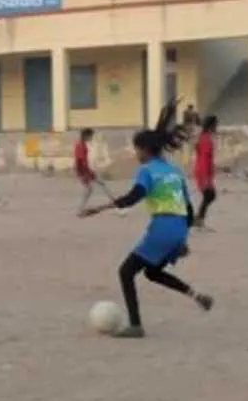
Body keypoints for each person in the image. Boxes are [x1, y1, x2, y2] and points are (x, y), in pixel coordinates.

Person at [78, 99, 214, 338]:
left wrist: (97, 209)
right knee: (151, 272)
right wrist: (182, 238)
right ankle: (195, 295)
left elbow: (133, 197)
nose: (135, 153)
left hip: (162, 227)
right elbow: (189, 207)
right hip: (178, 227)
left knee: (126, 272)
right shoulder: (173, 171)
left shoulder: (147, 170)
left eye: (137, 149)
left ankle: (136, 325)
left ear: (146, 150)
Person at [74, 128, 118, 214]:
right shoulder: (81, 146)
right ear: (86, 136)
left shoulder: (80, 144)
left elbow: (81, 160)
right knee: (92, 188)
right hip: (84, 171)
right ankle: (79, 209)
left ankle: (116, 203)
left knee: (98, 186)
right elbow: (81, 160)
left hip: (85, 170)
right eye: (90, 136)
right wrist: (86, 172)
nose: (91, 138)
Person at [194, 115, 218, 230]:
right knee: (209, 195)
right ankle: (198, 220)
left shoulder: (204, 137)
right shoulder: (206, 140)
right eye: (215, 125)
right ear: (211, 125)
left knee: (209, 196)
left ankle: (199, 219)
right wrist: (206, 179)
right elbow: (204, 159)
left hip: (204, 170)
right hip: (203, 171)